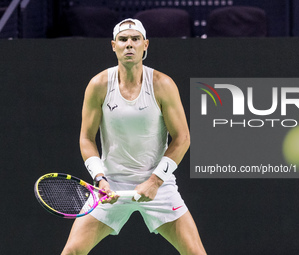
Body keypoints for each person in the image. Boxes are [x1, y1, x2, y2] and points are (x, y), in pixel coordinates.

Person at [61, 18, 206, 255]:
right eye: (123, 39)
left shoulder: (162, 84)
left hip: (158, 184)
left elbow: (183, 138)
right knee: (72, 252)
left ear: (145, 45)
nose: (129, 44)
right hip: (111, 186)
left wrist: (155, 181)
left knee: (196, 253)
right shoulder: (98, 85)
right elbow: (86, 138)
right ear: (113, 45)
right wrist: (100, 178)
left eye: (135, 39)